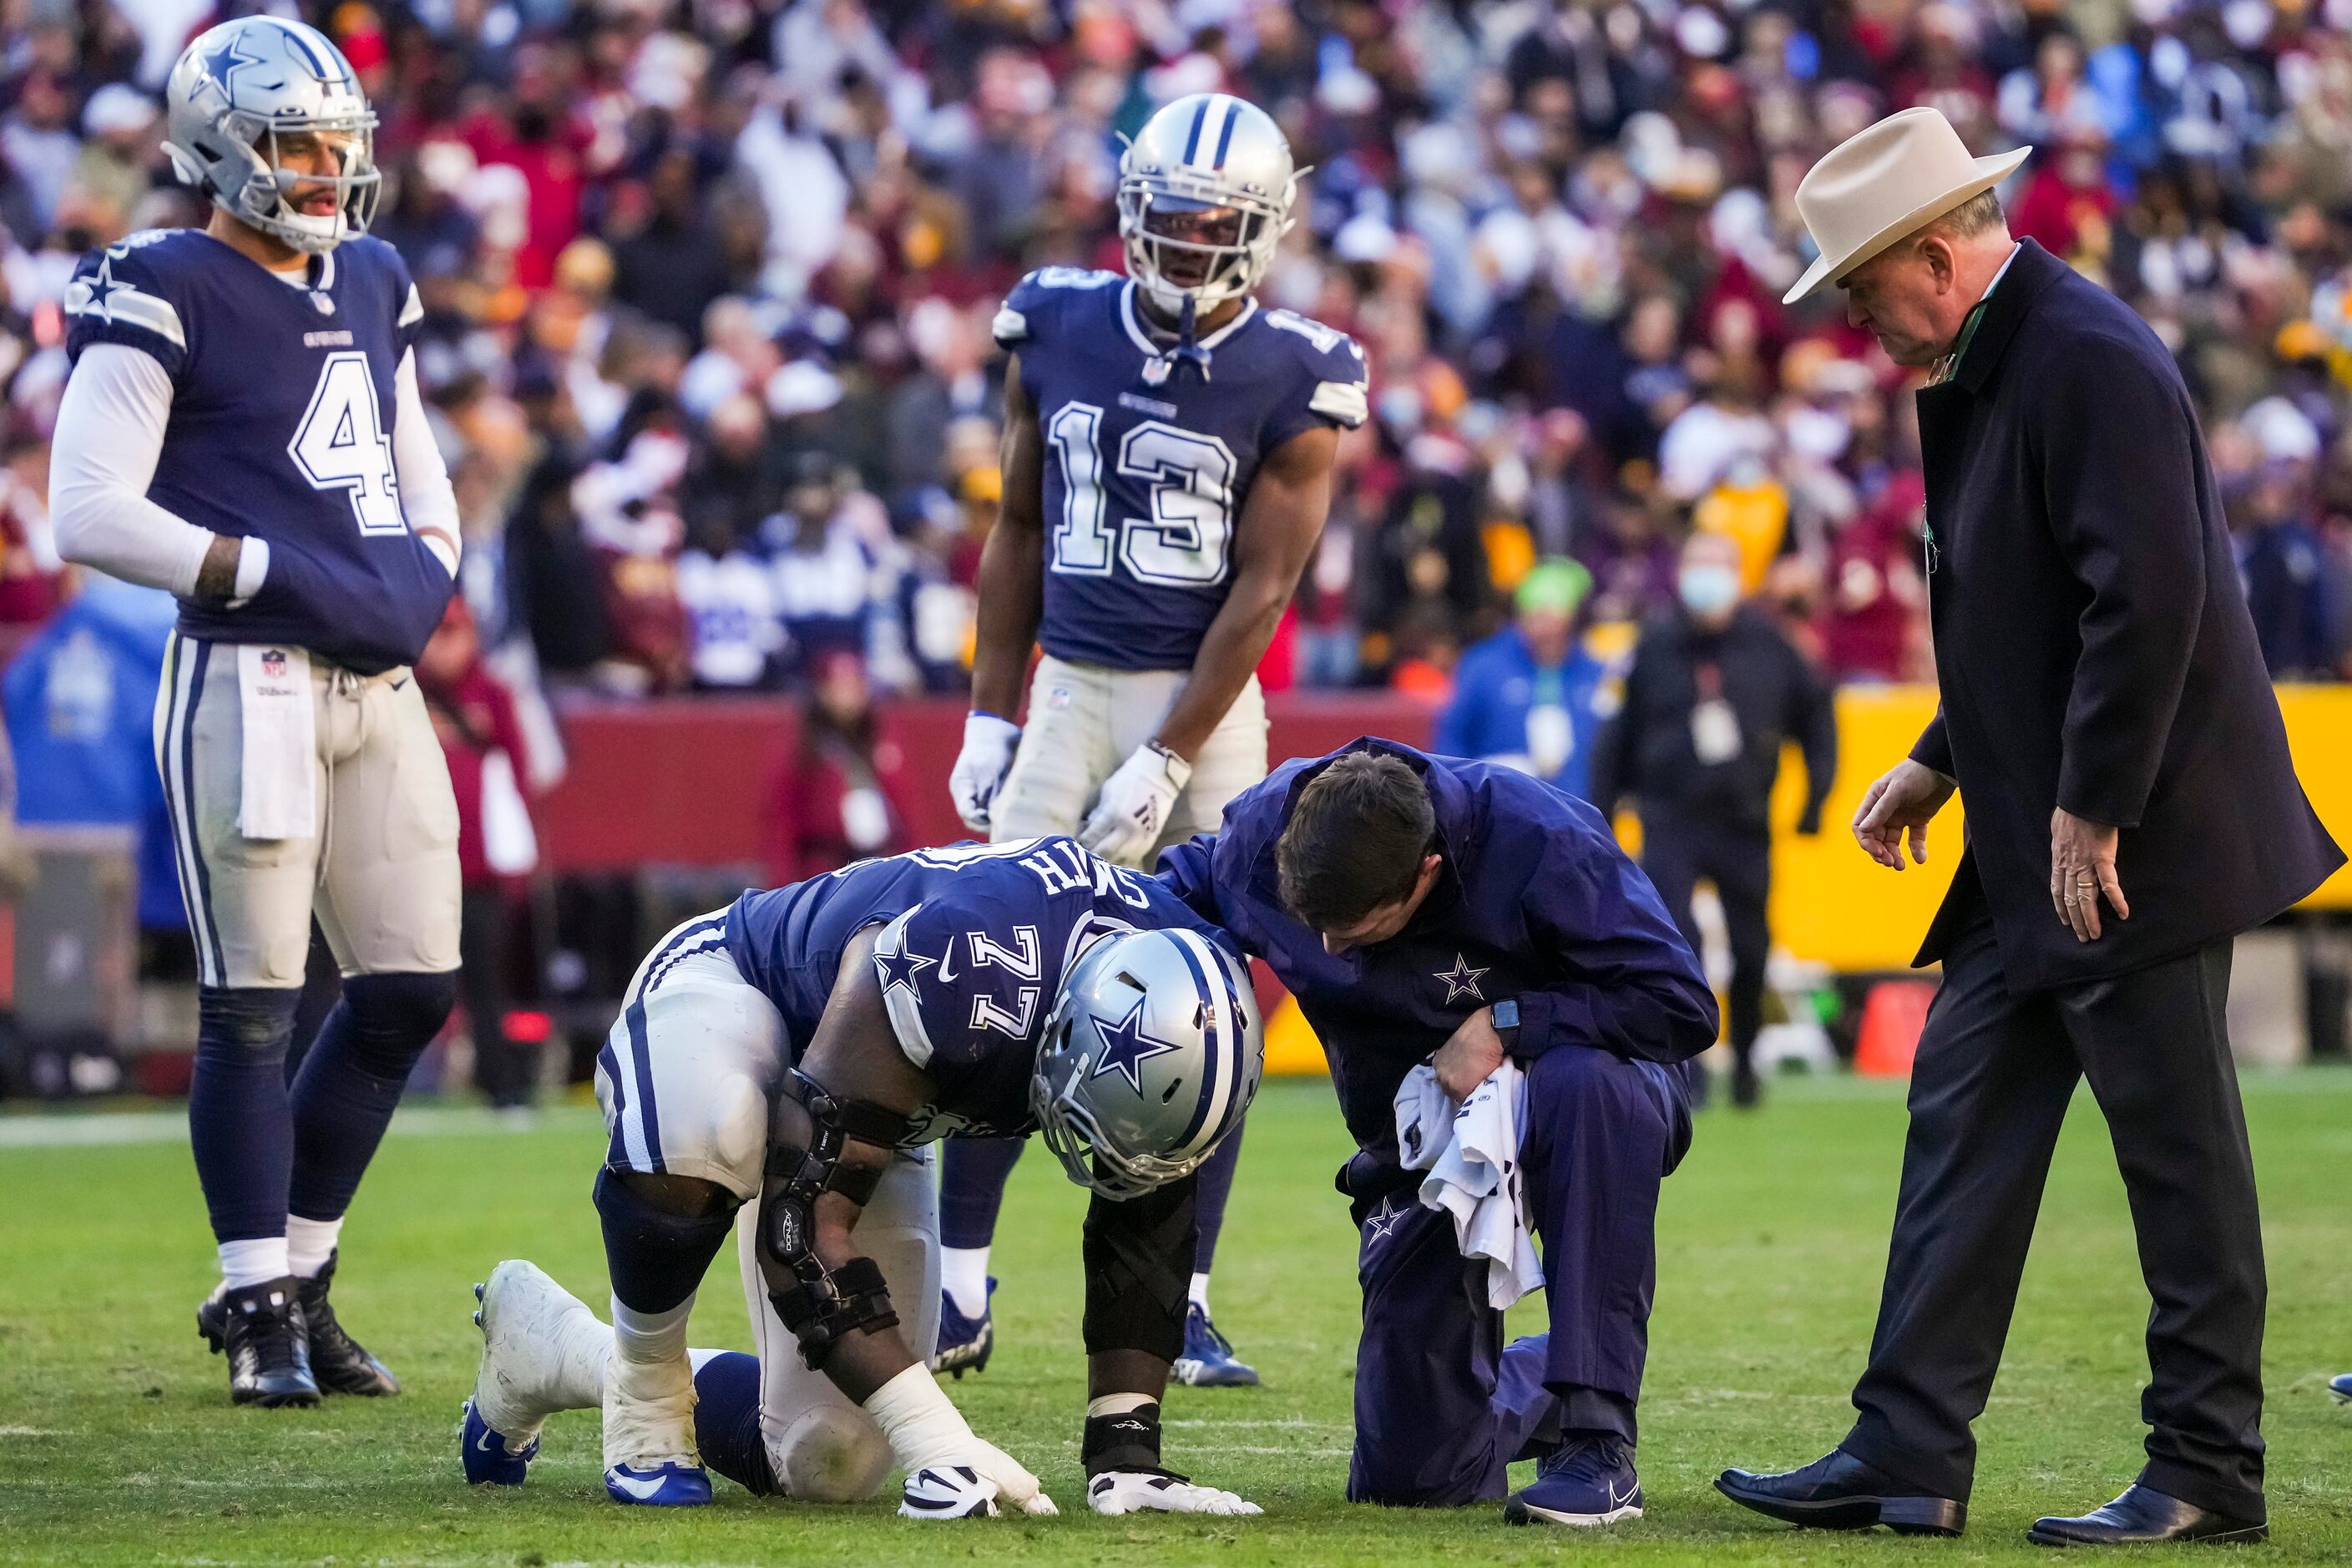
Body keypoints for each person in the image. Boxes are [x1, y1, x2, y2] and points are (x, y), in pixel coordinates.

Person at [1717, 108, 2343, 1548]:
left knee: (2179, 1164)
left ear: (1936, 257)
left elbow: (2151, 600)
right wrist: (1942, 758)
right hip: (2037, 838)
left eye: (1864, 291)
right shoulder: (2012, 355)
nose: (1860, 326)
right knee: (1959, 1134)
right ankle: (1905, 1452)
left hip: (2127, 847)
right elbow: (2035, 606)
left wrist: (2091, 807)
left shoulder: (2085, 358)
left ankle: (2207, 1469)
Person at [48, 17, 464, 1409]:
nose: (325, 169)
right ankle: (254, 1299)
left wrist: (434, 565)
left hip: (375, 676)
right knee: (253, 1005)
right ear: (221, 147)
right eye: (297, 142)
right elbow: (87, 507)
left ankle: (299, 1268)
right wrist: (270, 570)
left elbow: (415, 463)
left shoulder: (375, 275)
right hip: (251, 670)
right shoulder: (161, 281)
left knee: (408, 983)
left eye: (338, 143)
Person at [938, 92, 1367, 1386]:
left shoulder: (1298, 370)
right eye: (1167, 217)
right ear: (1129, 205)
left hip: (1205, 699)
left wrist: (1174, 751)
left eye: (1213, 224)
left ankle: (1179, 1297)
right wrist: (988, 707)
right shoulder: (1057, 319)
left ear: (1266, 229)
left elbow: (1263, 592)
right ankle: (956, 1276)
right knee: (990, 970)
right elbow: (1016, 526)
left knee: (1212, 1002)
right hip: (1068, 686)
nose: (1184, 244)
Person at [458, 836, 1263, 1520]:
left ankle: (547, 1345)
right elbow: (799, 1230)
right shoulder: (966, 973)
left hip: (881, 1098)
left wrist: (1126, 1452)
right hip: (740, 988)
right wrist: (935, 1438)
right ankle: (643, 1379)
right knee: (710, 1127)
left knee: (827, 1461)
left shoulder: (1184, 993)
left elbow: (1146, 1211)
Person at [1159, 741, 1717, 1525]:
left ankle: (1597, 1439)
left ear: (1424, 873)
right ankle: (1553, 1381)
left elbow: (1680, 1006)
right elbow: (1166, 895)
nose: (1328, 951)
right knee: (1412, 1476)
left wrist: (1510, 1022)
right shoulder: (1258, 836)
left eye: (1356, 929)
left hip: (1586, 1089)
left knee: (1588, 1087)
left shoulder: (1539, 836)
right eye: (1313, 922)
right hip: (1422, 1139)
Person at [1589, 529, 1837, 1107]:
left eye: (1716, 565)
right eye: (1695, 565)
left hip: (1743, 820)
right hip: (1669, 816)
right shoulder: (1652, 645)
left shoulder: (1771, 645)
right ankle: (1691, 1067)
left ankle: (1746, 1061)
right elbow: (1616, 737)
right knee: (1676, 942)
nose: (1706, 579)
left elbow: (1816, 721)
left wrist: (1813, 801)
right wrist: (1600, 819)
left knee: (1751, 949)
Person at [1434, 559, 1613, 804]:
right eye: (1537, 618)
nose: (1546, 632)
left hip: (1579, 813)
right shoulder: (1483, 666)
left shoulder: (1594, 671)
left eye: (1555, 620)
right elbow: (1451, 738)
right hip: (1500, 809)